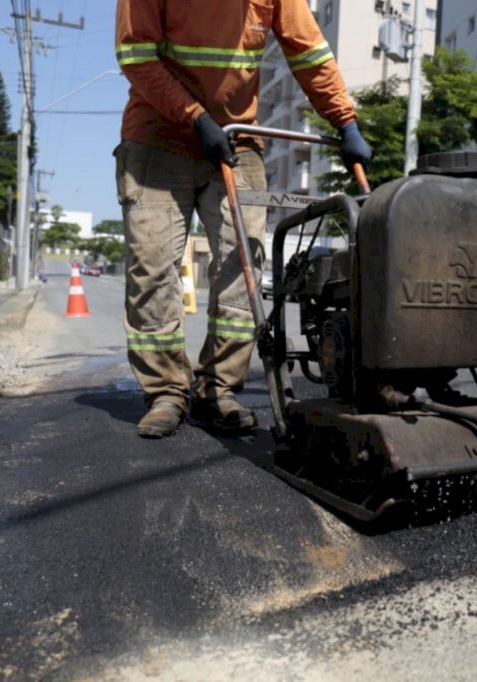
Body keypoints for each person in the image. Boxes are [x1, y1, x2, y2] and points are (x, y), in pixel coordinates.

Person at [115, 0, 371, 438]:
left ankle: (218, 390)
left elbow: (307, 51)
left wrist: (345, 122)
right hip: (158, 139)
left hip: (237, 139)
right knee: (153, 269)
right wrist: (195, 118)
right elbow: (135, 53)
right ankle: (166, 392)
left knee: (244, 265)